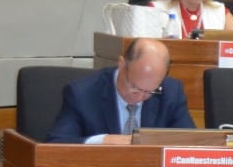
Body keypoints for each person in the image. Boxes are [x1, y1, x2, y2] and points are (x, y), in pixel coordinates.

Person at [46, 38, 193, 144]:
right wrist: (102, 141)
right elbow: (56, 143)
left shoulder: (171, 92)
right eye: (134, 87)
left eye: (150, 91)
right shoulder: (82, 93)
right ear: (122, 65)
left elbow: (192, 143)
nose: (140, 97)